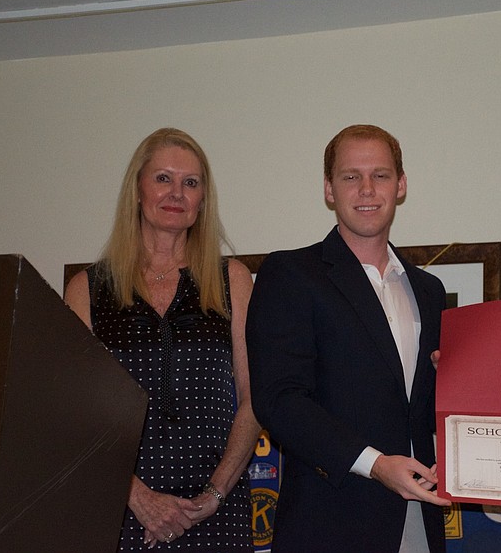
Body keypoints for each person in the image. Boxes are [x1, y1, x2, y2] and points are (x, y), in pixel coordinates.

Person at [246, 124, 451, 552]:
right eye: (350, 177)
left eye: (380, 175)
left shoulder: (428, 290)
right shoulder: (290, 274)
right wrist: (375, 465)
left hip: (421, 517)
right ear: (328, 189)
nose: (366, 189)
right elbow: (278, 398)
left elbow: (422, 406)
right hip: (329, 522)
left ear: (401, 185)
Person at [65, 127, 261, 551]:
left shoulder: (233, 280)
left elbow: (254, 399)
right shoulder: (86, 290)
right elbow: (77, 413)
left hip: (215, 512)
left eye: (190, 183)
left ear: (202, 200)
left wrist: (212, 496)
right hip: (119, 509)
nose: (177, 192)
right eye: (163, 178)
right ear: (137, 189)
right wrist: (138, 497)